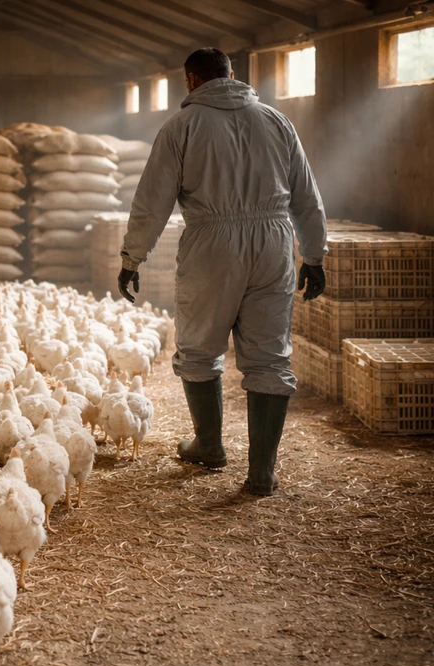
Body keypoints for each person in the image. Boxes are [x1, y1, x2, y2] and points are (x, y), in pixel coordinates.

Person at [117, 48, 327, 497]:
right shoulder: (276, 120)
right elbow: (306, 194)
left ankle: (210, 446)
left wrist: (132, 257)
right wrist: (314, 254)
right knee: (270, 355)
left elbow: (152, 200)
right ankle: (262, 473)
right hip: (273, 242)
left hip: (211, 244)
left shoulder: (181, 127)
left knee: (198, 347)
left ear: (192, 80)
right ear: (233, 75)